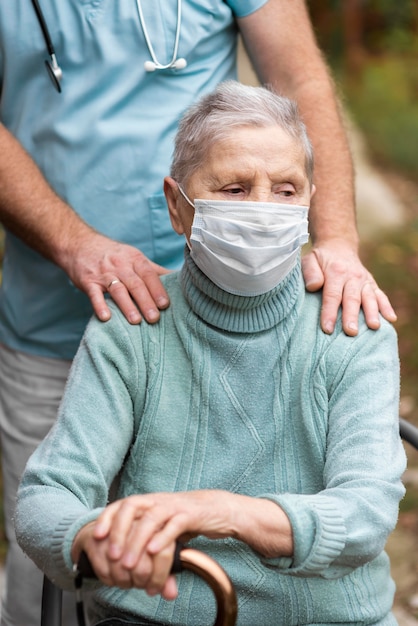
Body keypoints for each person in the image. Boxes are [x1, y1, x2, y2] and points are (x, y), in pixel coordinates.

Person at [0, 2, 396, 624]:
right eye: (234, 190)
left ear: (309, 202)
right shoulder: (130, 335)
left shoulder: (348, 323)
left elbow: (368, 513)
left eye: (286, 190)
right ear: (178, 208)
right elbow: (48, 499)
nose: (263, 210)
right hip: (156, 610)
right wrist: (97, 543)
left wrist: (212, 509)